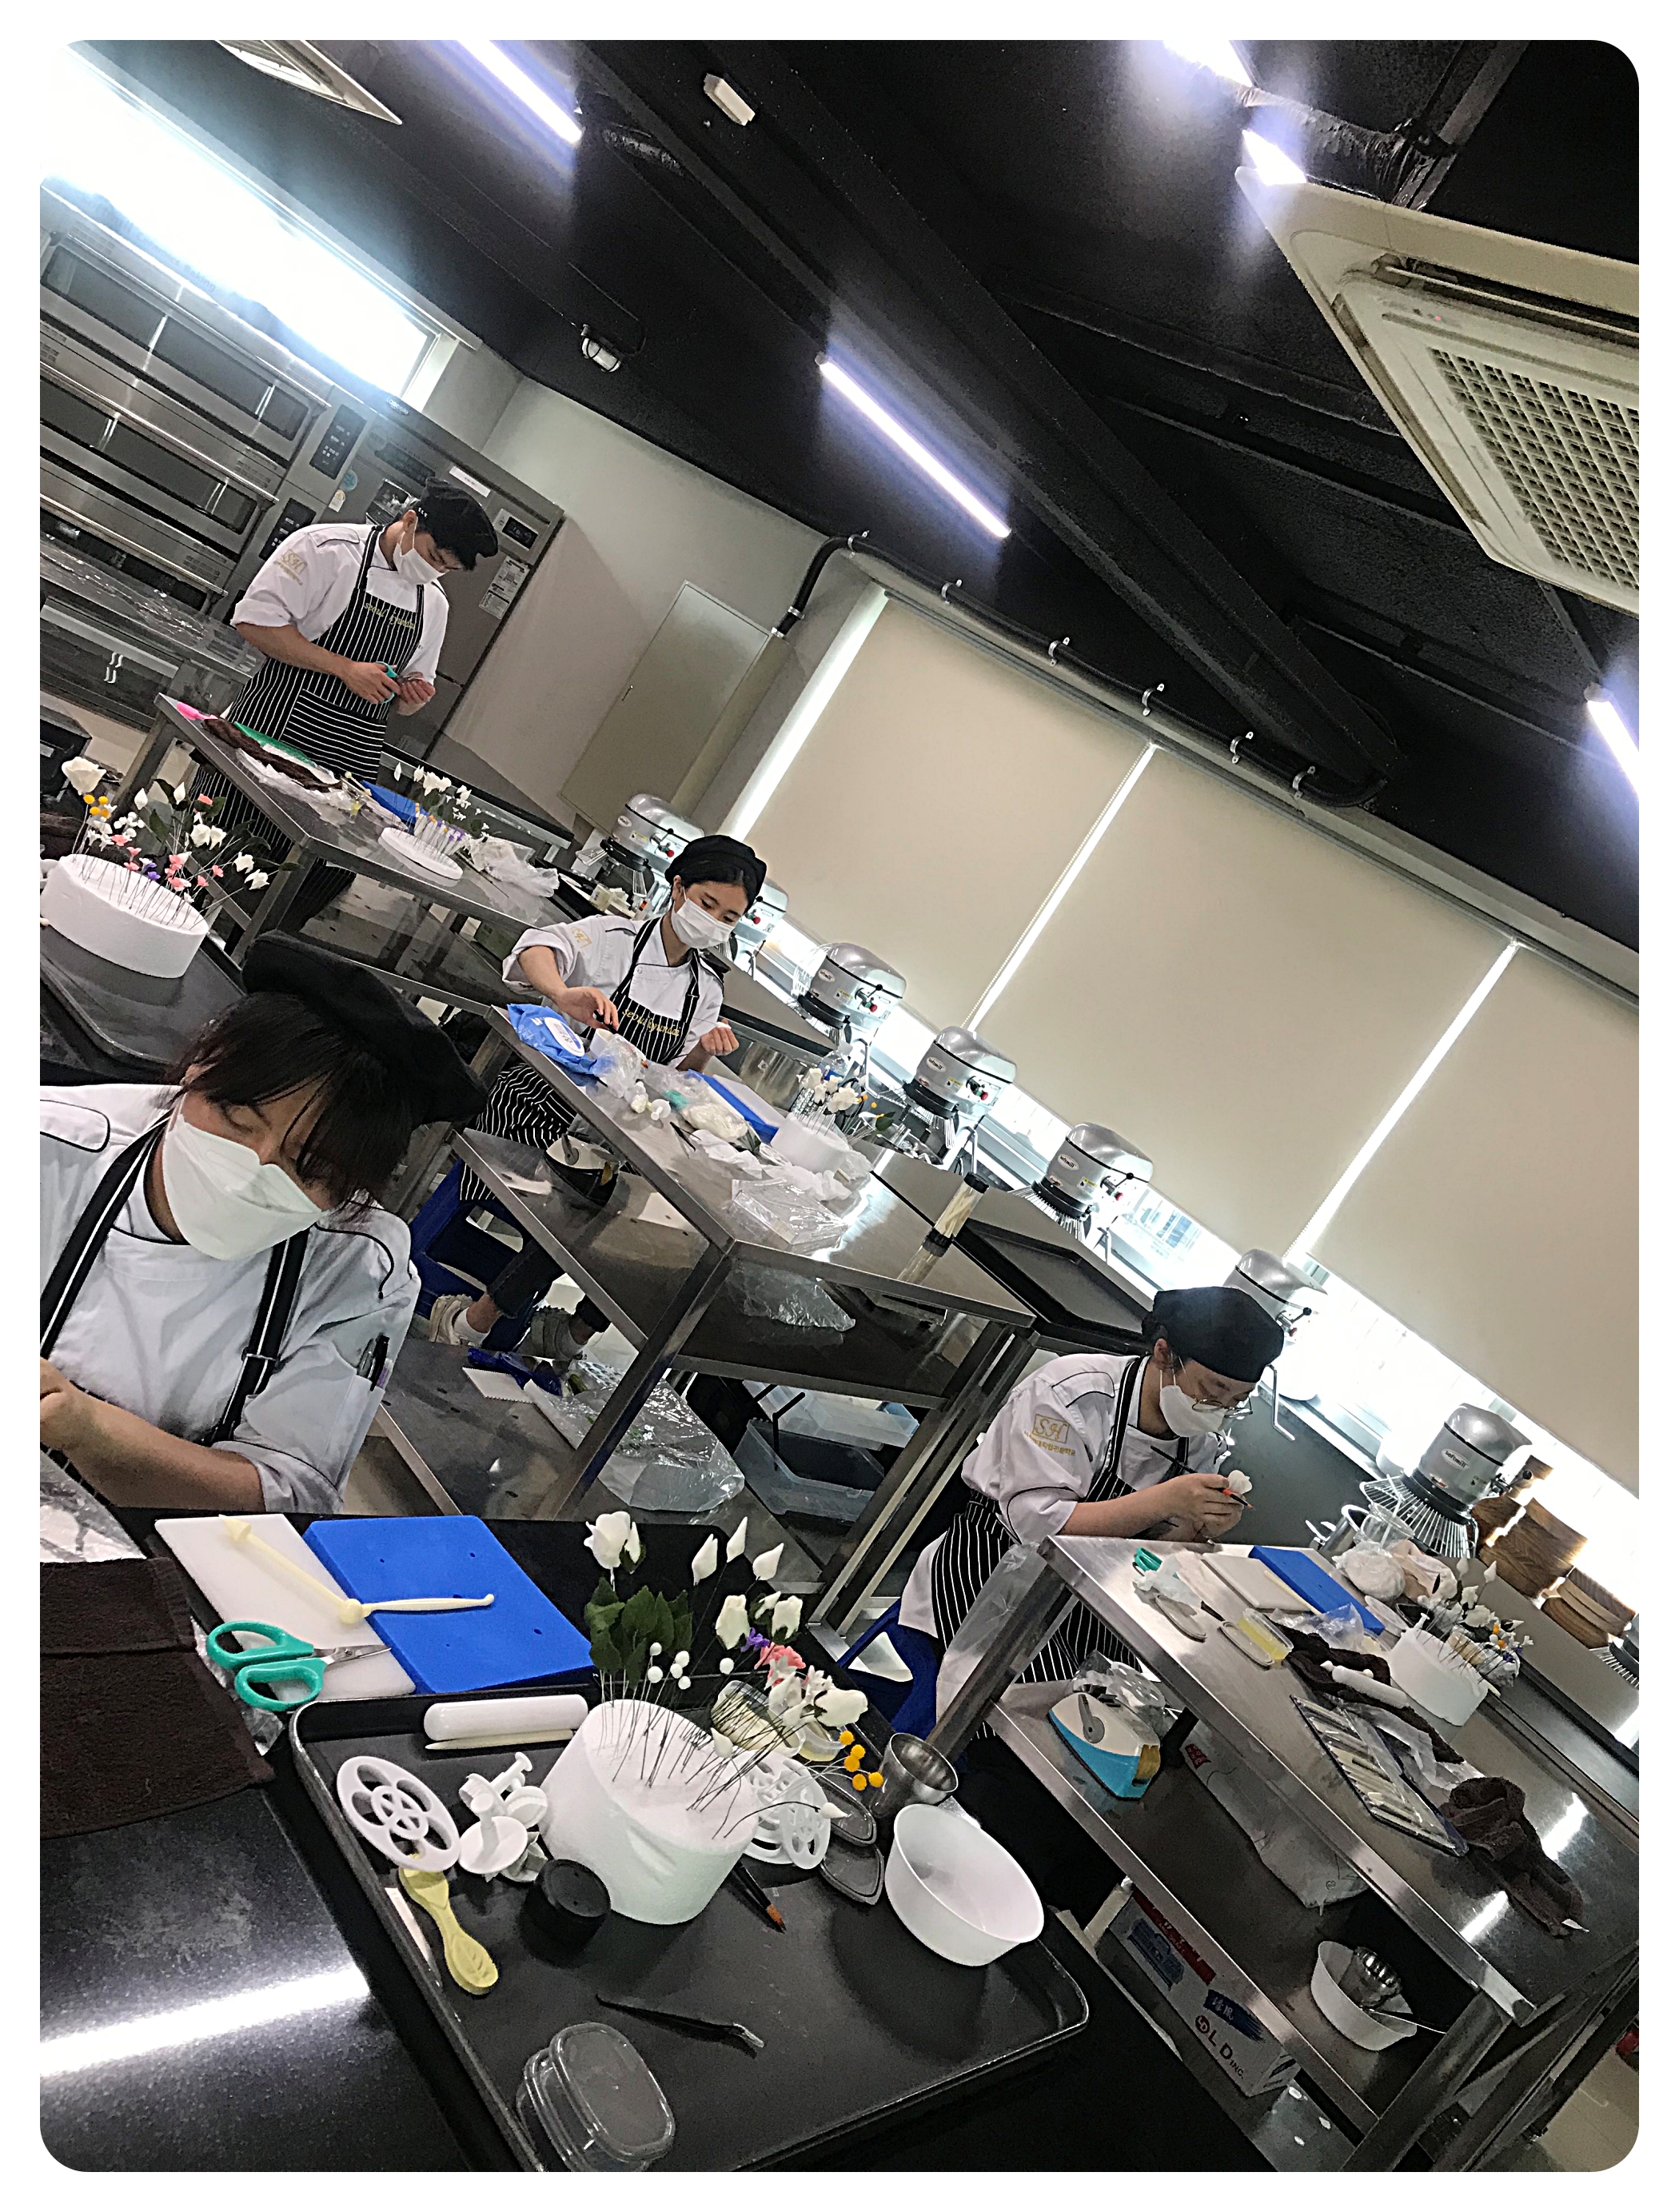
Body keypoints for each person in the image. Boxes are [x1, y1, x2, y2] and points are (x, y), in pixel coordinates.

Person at [41, 936, 484, 1514]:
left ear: (351, 1192)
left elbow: (289, 1490)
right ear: (199, 1068)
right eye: (237, 1118)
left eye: (310, 1167)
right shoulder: (49, 1146)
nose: (252, 1169)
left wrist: (88, 1431)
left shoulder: (360, 1273)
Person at [428, 833, 764, 1358]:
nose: (714, 921)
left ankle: (543, 1331)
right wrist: (562, 993)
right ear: (678, 889)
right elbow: (534, 949)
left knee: (627, 1227)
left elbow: (671, 1082)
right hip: (537, 1105)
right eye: (707, 903)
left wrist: (701, 1052)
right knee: (575, 1217)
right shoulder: (614, 939)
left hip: (608, 1138)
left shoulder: (705, 991)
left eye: (729, 918)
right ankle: (481, 1324)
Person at [897, 1284, 1287, 1682]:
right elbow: (1036, 1525)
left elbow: (1152, 1546)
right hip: (995, 1560)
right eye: (1211, 1391)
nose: (1217, 1412)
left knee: (1114, 1695)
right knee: (1034, 1699)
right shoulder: (1073, 1393)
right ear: (1164, 1354)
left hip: (1090, 1587)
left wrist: (1198, 1525)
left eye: (1236, 1401)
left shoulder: (1199, 1442)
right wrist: (1166, 1499)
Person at [201, 482, 502, 920]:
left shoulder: (433, 604)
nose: (434, 572)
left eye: (446, 569)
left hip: (347, 770)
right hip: (272, 734)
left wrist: (412, 696)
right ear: (411, 521)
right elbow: (253, 623)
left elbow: (407, 700)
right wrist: (344, 668)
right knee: (210, 856)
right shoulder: (326, 549)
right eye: (434, 557)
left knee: (289, 897)